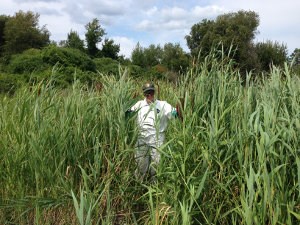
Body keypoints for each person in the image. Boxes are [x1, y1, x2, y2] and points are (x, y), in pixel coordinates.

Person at [127, 82, 181, 180]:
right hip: (141, 137)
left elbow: (174, 113)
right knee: (140, 163)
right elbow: (128, 114)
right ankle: (140, 184)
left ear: (154, 93)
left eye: (151, 93)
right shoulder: (139, 104)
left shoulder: (162, 104)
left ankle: (154, 185)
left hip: (157, 138)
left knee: (157, 164)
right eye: (147, 93)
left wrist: (178, 111)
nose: (150, 95)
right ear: (144, 94)